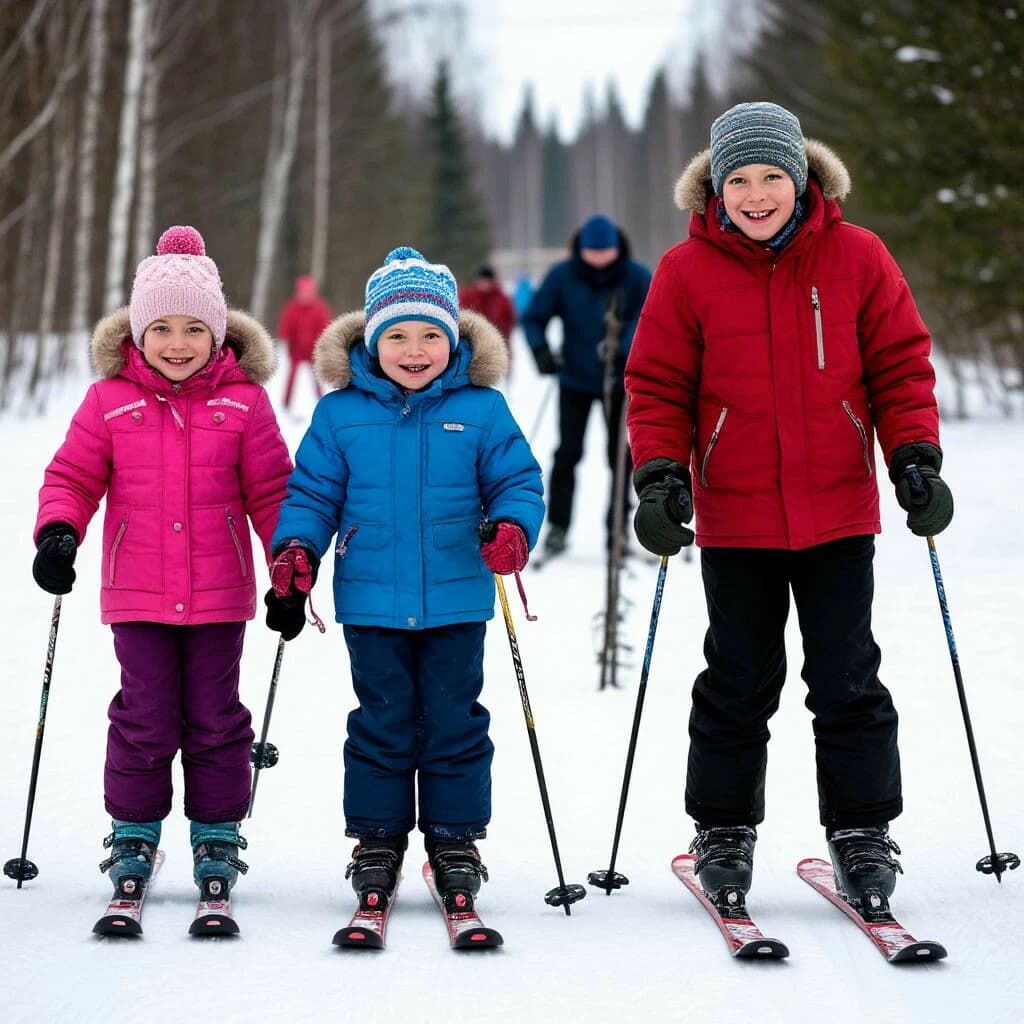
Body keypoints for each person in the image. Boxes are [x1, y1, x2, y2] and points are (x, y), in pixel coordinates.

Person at [625, 101, 954, 917]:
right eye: (739, 179)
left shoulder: (859, 256)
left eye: (772, 176)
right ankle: (723, 830)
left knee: (847, 677)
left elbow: (900, 367)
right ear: (716, 188)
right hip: (735, 517)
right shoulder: (685, 271)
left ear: (802, 179)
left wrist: (913, 457)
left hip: (837, 509)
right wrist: (660, 475)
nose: (757, 194)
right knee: (738, 680)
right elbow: (658, 385)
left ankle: (862, 831)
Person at [264, 246, 544, 914]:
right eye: (397, 336)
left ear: (453, 341)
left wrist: (512, 527)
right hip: (372, 600)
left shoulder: (483, 409)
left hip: (457, 598)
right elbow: (312, 495)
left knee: (455, 722)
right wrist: (297, 549)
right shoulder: (339, 414)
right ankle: (377, 840)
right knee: (382, 723)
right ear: (371, 340)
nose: (414, 351)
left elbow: (518, 480)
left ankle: (454, 840)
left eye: (429, 336)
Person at [32, 225, 293, 910]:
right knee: (144, 717)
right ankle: (134, 832)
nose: (178, 344)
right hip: (138, 594)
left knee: (216, 718)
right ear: (138, 333)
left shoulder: (245, 403)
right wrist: (59, 532)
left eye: (194, 329)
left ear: (218, 334)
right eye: (163, 329)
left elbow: (273, 493)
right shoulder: (108, 401)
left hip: (219, 595)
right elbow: (72, 477)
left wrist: (288, 562)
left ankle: (217, 833)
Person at [522, 214, 651, 557]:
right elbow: (534, 316)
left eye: (605, 251)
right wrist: (540, 351)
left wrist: (626, 348)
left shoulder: (636, 276)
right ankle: (558, 527)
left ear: (616, 248)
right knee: (568, 452)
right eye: (592, 251)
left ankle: (617, 530)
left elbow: (650, 315)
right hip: (575, 379)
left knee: (620, 456)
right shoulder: (563, 275)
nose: (598, 258)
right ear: (581, 249)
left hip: (620, 380)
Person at [277, 274, 333, 410]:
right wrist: (285, 337)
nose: (305, 296)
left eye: (308, 292)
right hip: (296, 349)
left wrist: (324, 343)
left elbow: (326, 326)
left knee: (317, 378)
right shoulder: (292, 307)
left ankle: (322, 402)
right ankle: (286, 404)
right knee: (291, 377)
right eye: (303, 292)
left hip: (313, 350)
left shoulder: (319, 307)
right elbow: (286, 324)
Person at [458, 263, 516, 367]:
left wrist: (506, 343)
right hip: (472, 345)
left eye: (487, 280)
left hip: (496, 344)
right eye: (482, 280)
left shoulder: (501, 298)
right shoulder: (468, 296)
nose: (484, 284)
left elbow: (509, 321)